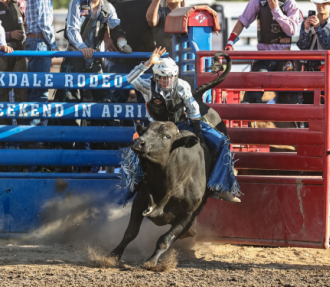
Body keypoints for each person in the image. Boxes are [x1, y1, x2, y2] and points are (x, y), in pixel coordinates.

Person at [123, 47, 241, 204]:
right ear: (156, 77)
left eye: (170, 77)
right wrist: (148, 63)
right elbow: (130, 78)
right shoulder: (147, 87)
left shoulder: (182, 86)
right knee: (136, 151)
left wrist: (198, 130)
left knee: (221, 142)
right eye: (163, 78)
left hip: (181, 125)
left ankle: (219, 186)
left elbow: (193, 108)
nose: (167, 81)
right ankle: (133, 188)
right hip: (155, 130)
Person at [55, 0, 132, 129]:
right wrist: (83, 47)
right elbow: (71, 29)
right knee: (71, 98)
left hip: (95, 56)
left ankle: (100, 141)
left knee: (103, 97)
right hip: (75, 55)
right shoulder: (77, 3)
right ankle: (71, 141)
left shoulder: (107, 7)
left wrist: (122, 41)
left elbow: (115, 27)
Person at [224, 0, 302, 104]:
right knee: (252, 94)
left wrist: (275, 10)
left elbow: (291, 30)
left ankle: (289, 116)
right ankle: (251, 115)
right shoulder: (257, 2)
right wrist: (230, 42)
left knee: (288, 98)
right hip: (263, 56)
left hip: (283, 56)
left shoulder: (290, 4)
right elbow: (242, 21)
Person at [104, 0, 155, 109]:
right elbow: (101, 12)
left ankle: (146, 125)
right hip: (118, 56)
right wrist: (106, 38)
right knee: (116, 100)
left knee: (148, 101)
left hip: (147, 57)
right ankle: (117, 125)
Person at [297, 0, 330, 104]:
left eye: (324, 3)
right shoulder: (306, 22)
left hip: (325, 69)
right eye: (318, 2)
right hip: (308, 69)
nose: (320, 5)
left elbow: (329, 46)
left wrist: (318, 27)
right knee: (308, 102)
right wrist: (306, 30)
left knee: (325, 102)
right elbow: (302, 46)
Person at [24, 0, 58, 127]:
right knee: (39, 90)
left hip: (33, 41)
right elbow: (44, 23)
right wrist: (54, 46)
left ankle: (28, 133)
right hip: (40, 43)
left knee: (33, 90)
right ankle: (32, 135)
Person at [0, 0, 27, 126]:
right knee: (1, 93)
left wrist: (24, 38)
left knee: (21, 90)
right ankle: (3, 134)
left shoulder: (20, 3)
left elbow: (28, 25)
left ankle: (22, 135)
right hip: (2, 53)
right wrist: (9, 35)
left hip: (19, 52)